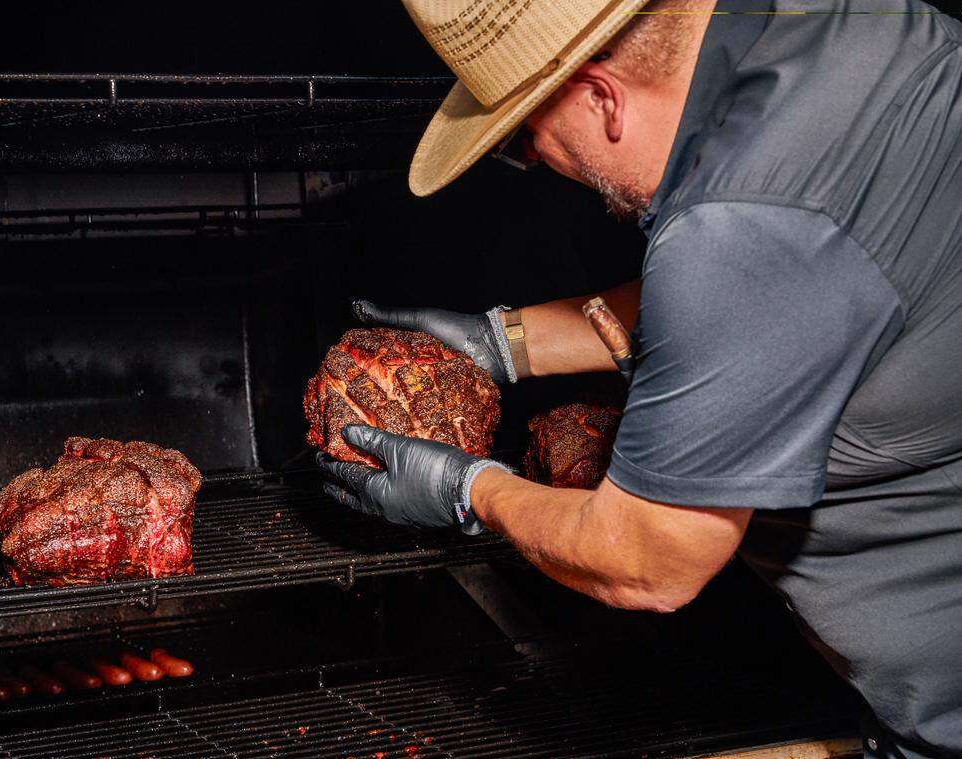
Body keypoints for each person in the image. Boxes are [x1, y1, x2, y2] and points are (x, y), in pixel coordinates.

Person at [316, 1, 962, 756]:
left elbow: (648, 564)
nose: (538, 160)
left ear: (602, 97)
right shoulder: (862, 26)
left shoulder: (736, 233)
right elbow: (783, 284)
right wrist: (508, 341)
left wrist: (470, 491)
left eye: (527, 137)